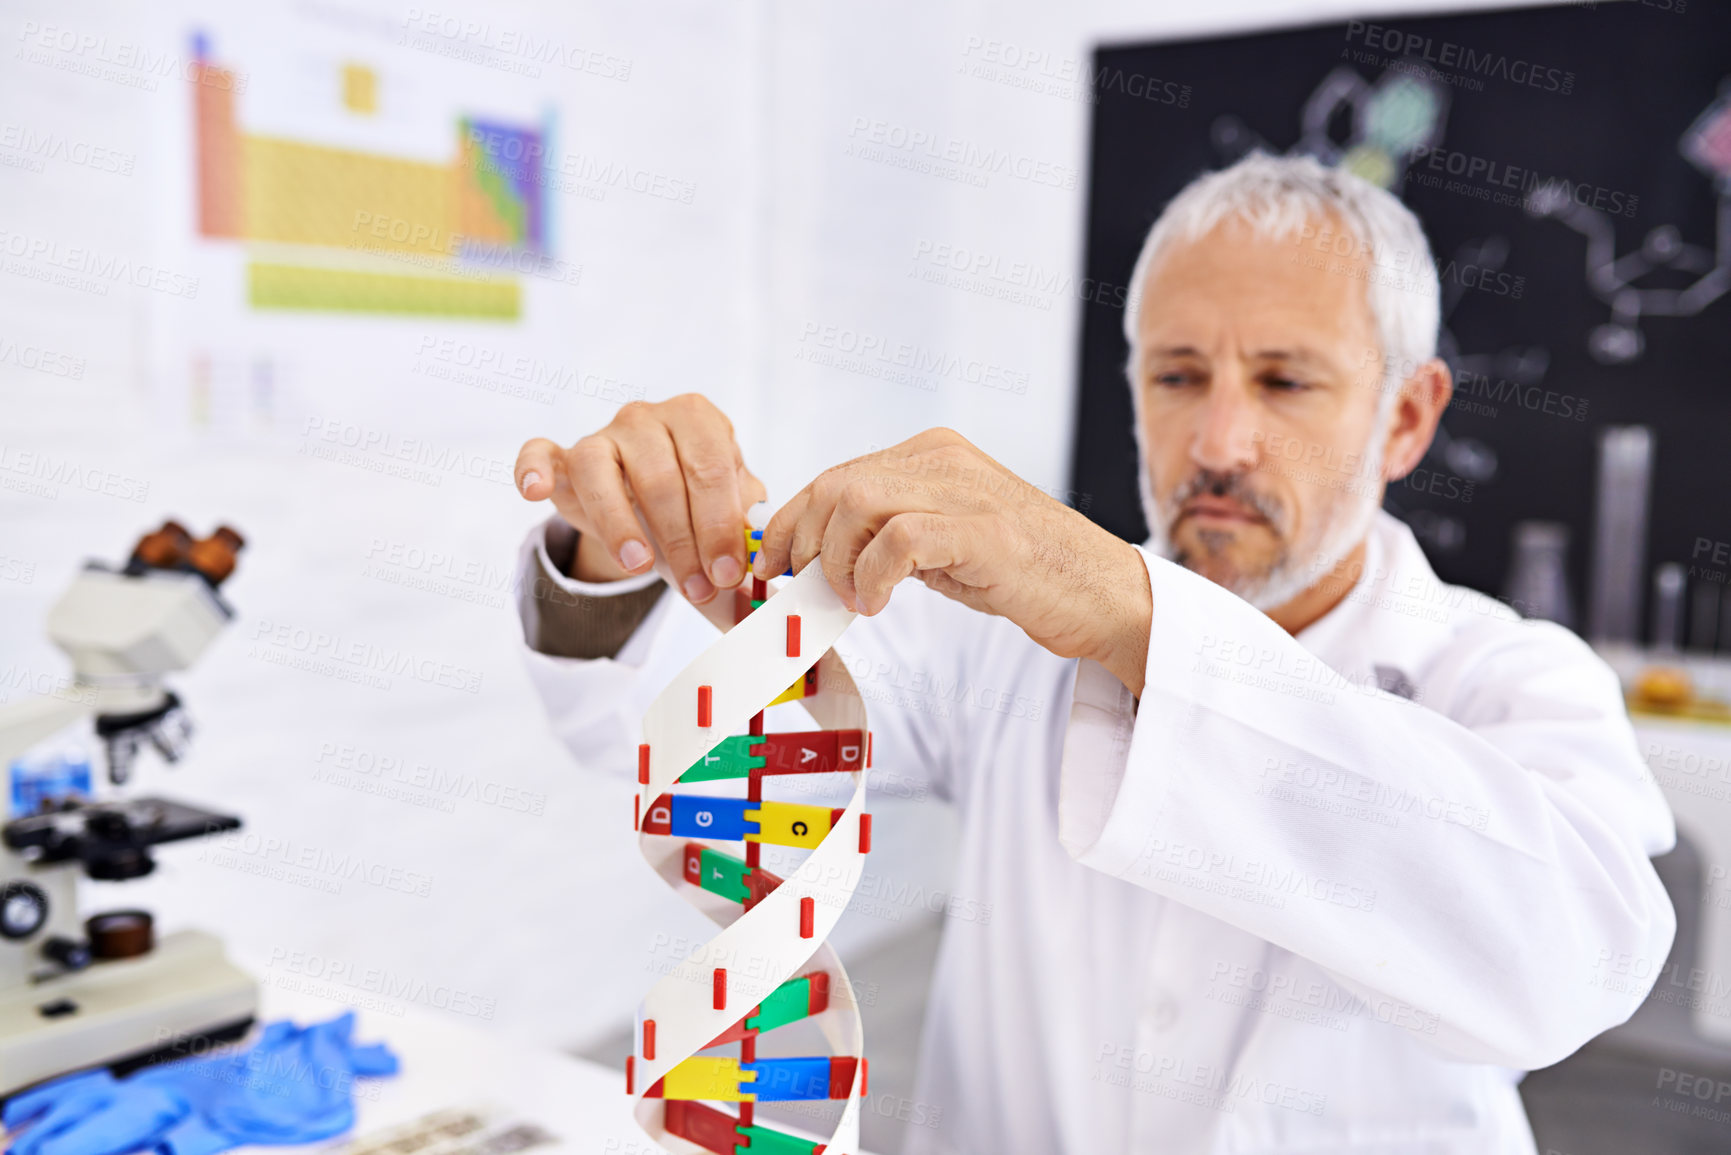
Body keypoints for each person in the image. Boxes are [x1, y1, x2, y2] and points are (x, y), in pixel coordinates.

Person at [510, 153, 1675, 1154]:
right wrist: (614, 555)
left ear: (1407, 419)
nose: (1217, 442)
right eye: (1178, 376)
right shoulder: (993, 641)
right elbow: (668, 735)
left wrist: (1135, 616)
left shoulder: (1512, 680)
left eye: (1284, 381)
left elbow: (1573, 966)